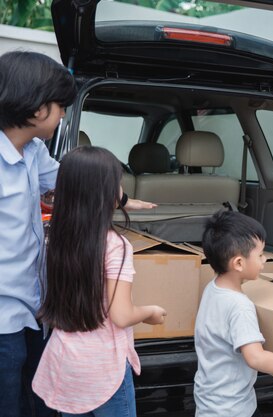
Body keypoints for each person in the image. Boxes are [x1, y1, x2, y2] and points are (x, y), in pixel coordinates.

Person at [0, 50, 154, 417]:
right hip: (3, 315)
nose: (64, 115)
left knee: (38, 402)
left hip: (35, 309)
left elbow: (71, 181)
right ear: (38, 110)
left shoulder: (34, 151)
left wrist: (121, 198)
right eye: (60, 106)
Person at [31, 146, 167, 416]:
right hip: (104, 366)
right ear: (105, 193)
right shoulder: (116, 245)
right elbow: (121, 315)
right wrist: (150, 313)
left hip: (65, 360)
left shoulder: (57, 236)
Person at [194, 210, 273, 417]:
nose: (264, 260)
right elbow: (255, 358)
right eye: (260, 254)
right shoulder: (240, 305)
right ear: (238, 263)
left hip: (209, 401)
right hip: (232, 409)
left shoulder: (213, 288)